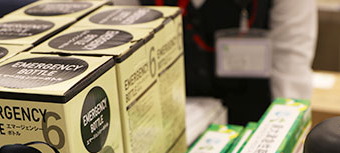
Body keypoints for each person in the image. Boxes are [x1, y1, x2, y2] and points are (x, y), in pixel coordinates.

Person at [114, 0, 317, 124]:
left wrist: (286, 142)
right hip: (171, 122)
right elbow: (125, 57)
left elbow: (291, 69)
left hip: (254, 121)